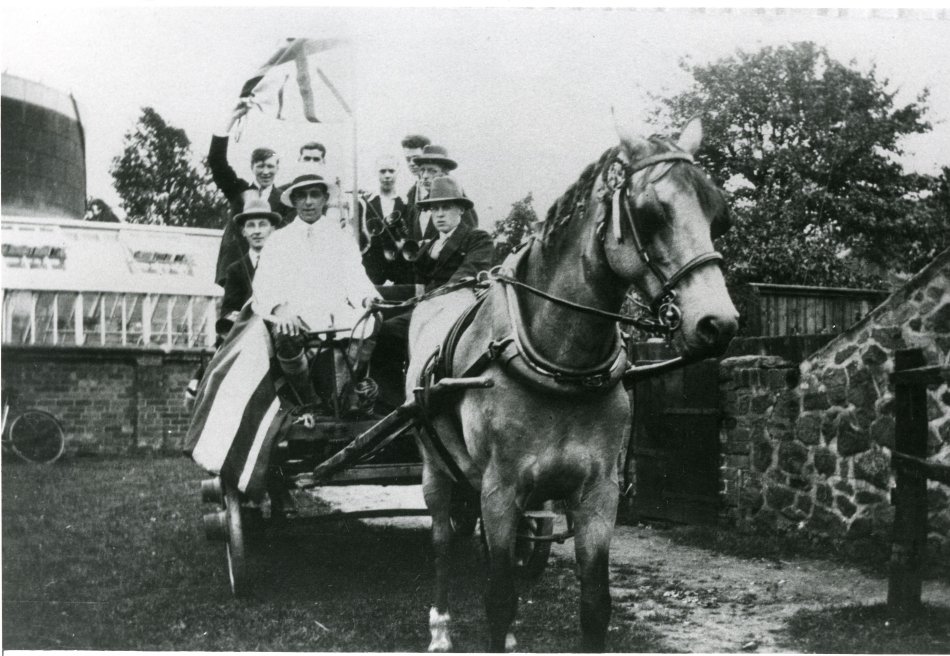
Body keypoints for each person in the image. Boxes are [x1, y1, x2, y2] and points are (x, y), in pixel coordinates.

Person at [253, 173, 381, 422]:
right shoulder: (279, 240)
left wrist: (367, 299)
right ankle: (309, 401)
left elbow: (356, 277)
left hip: (335, 314)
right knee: (285, 334)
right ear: (294, 201)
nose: (309, 202)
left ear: (325, 199)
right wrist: (280, 310)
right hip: (296, 315)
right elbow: (264, 284)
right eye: (302, 196)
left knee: (372, 319)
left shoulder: (341, 237)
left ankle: (345, 394)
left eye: (314, 195)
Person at [371, 176, 492, 402]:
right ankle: (391, 402)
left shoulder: (477, 239)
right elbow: (418, 284)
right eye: (435, 209)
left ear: (461, 210)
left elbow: (465, 276)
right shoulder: (428, 245)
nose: (440, 214)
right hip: (427, 307)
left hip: (459, 310)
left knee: (396, 331)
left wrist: (426, 301)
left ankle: (416, 397)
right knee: (381, 329)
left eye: (446, 207)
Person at [209, 99, 293, 286]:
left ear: (278, 168)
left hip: (271, 276)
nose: (265, 172)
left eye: (270, 166)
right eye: (260, 166)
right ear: (252, 167)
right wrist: (231, 119)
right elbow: (217, 162)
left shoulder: (285, 200)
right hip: (235, 274)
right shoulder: (239, 191)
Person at [217, 197, 280, 334]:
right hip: (247, 334)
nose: (257, 231)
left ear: (272, 230)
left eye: (262, 225)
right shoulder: (235, 269)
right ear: (243, 231)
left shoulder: (282, 264)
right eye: (251, 225)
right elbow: (228, 311)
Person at [405, 145, 478, 243]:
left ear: (445, 173)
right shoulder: (419, 206)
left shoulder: (459, 202)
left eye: (432, 171)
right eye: (422, 170)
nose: (425, 176)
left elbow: (470, 240)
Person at [358, 155, 412, 285]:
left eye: (391, 171)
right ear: (376, 172)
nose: (387, 175)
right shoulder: (365, 202)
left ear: (397, 172)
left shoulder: (406, 202)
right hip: (372, 269)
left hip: (401, 269)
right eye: (382, 171)